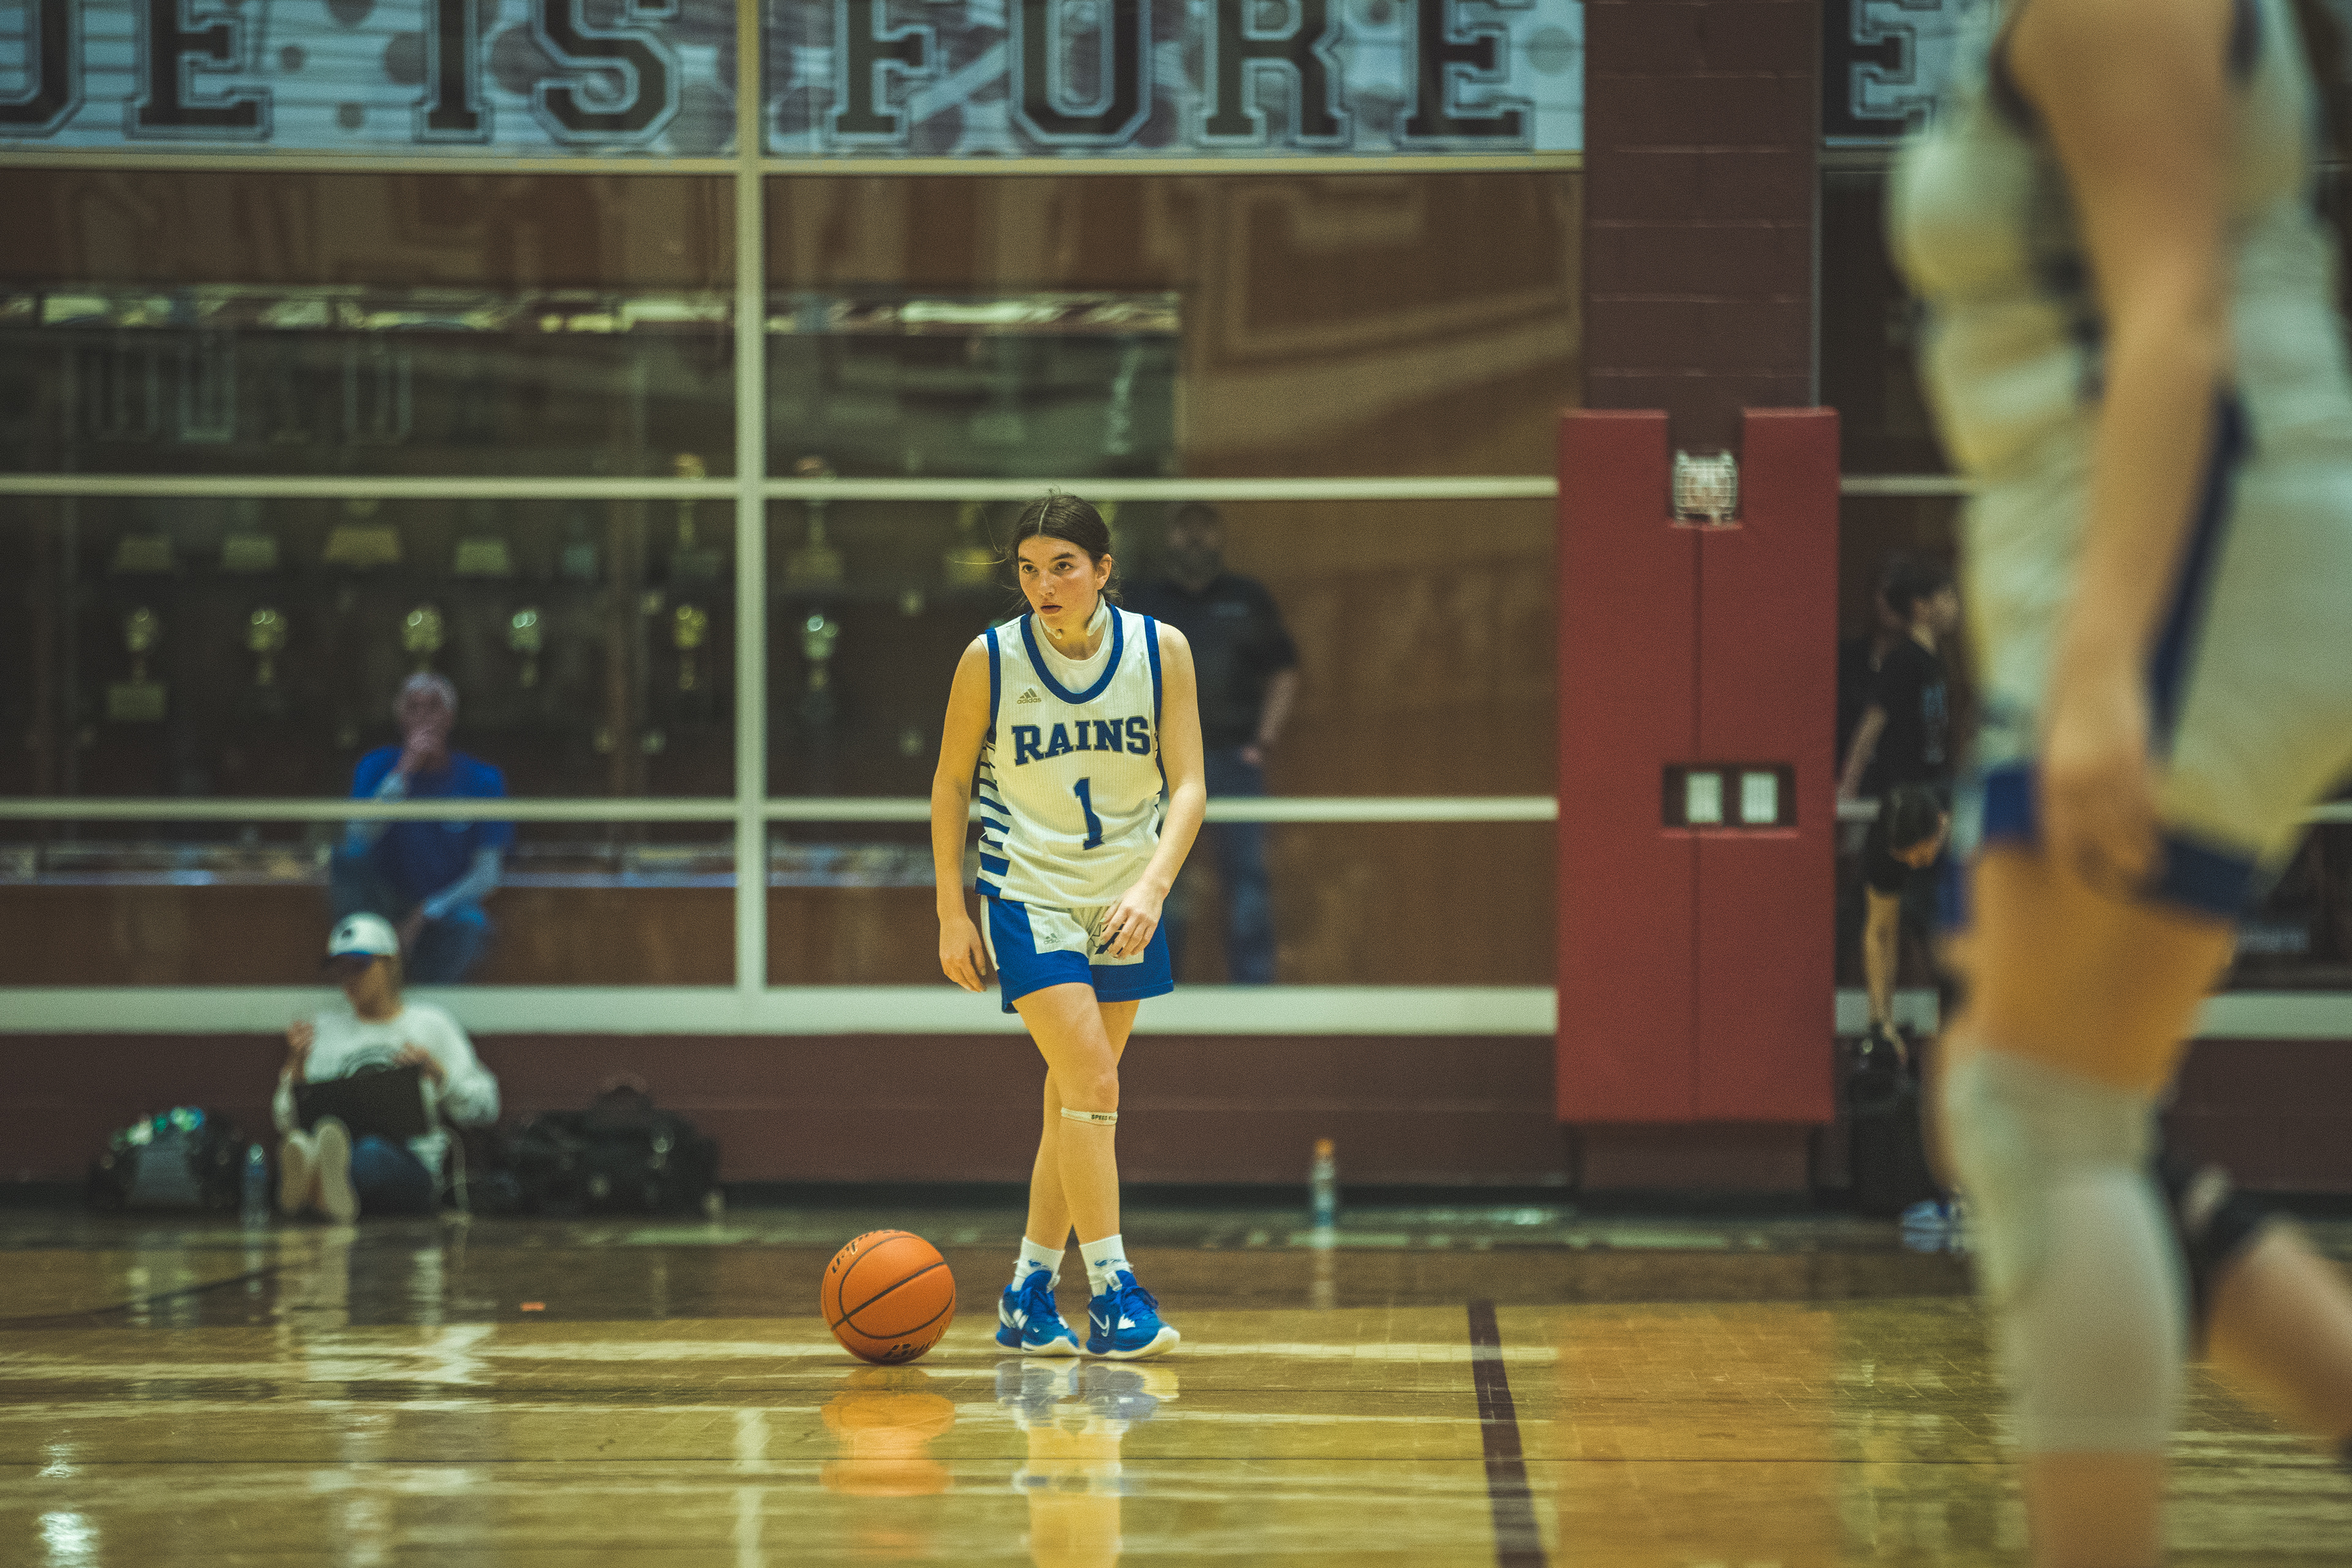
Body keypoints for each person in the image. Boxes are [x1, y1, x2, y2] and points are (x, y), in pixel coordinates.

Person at [1892, 0, 2352, 1560]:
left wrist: (2102, 667)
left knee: (2034, 1115)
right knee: (2061, 1113)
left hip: (2191, 564)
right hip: (2154, 560)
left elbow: (2175, 318)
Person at [932, 492, 1207, 1360]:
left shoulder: (1161, 651)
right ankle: (1115, 1292)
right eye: (1028, 570)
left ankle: (1027, 1292)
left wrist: (1154, 888)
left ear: (1103, 569)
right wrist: (951, 909)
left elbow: (1190, 785)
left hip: (1125, 898)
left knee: (1075, 1101)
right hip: (1029, 892)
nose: (1043, 586)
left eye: (1063, 567)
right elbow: (950, 785)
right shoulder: (991, 659)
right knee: (1093, 1086)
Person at [1125, 503, 1298, 984]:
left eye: (1204, 531)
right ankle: (1160, 988)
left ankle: (1252, 995)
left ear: (1219, 538)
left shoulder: (1247, 599)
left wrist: (1263, 741)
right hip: (1161, 767)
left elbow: (1284, 672)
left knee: (1246, 879)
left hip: (1233, 762)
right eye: (1186, 531)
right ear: (1170, 539)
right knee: (1161, 877)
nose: (1195, 541)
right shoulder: (1143, 602)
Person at [276, 913, 501, 1221]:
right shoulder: (323, 1030)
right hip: (339, 1149)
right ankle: (327, 1192)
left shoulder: (431, 1024)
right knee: (302, 1143)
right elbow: (286, 1121)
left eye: (359, 965)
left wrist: (438, 1075)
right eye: (340, 968)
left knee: (369, 1153)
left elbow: (485, 1107)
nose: (348, 977)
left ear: (391, 964)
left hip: (411, 1166)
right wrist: (297, 1065)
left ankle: (314, 1189)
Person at [331, 673, 513, 983]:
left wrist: (426, 912)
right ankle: (366, 985)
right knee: (346, 859)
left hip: (442, 906)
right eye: (413, 707)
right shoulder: (375, 767)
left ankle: (427, 1001)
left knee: (472, 924)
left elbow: (487, 873)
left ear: (450, 718)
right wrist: (405, 770)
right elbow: (357, 839)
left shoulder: (483, 779)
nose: (423, 717)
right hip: (381, 901)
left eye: (434, 707)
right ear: (400, 717)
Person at [1836, 554, 1958, 805]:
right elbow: (1872, 721)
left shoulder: (1936, 660)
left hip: (1932, 785)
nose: (1955, 606)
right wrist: (1849, 786)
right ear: (1920, 607)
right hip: (1903, 790)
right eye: (1946, 597)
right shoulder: (1903, 660)